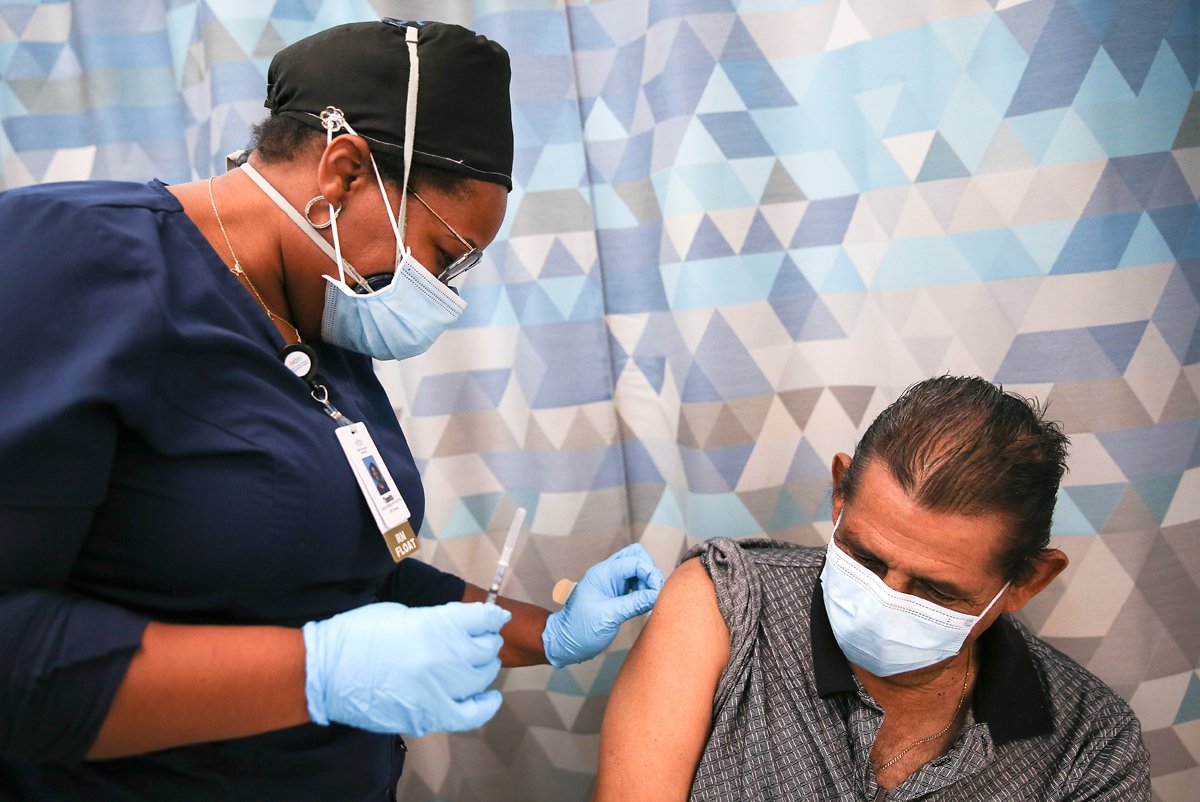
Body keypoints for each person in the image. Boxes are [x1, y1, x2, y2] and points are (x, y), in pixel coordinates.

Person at [0, 19, 663, 801]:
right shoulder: (70, 257)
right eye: (446, 253)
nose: (445, 291)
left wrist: (543, 633)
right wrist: (317, 675)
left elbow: (346, 583)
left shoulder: (317, 320)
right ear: (344, 173)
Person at [594, 376, 1150, 801]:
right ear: (840, 494)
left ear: (1028, 580)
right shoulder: (729, 605)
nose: (885, 599)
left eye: (935, 589)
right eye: (865, 556)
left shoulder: (1088, 742)